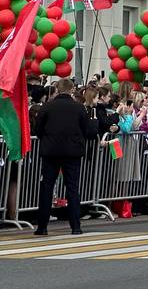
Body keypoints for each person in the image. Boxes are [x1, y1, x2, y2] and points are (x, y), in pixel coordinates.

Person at [33, 78, 99, 235]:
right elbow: (88, 131)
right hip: (72, 153)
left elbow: (38, 130)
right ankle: (76, 226)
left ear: (57, 89)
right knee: (72, 188)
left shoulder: (47, 107)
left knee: (47, 188)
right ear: (71, 90)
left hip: (51, 152)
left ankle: (42, 227)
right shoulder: (79, 108)